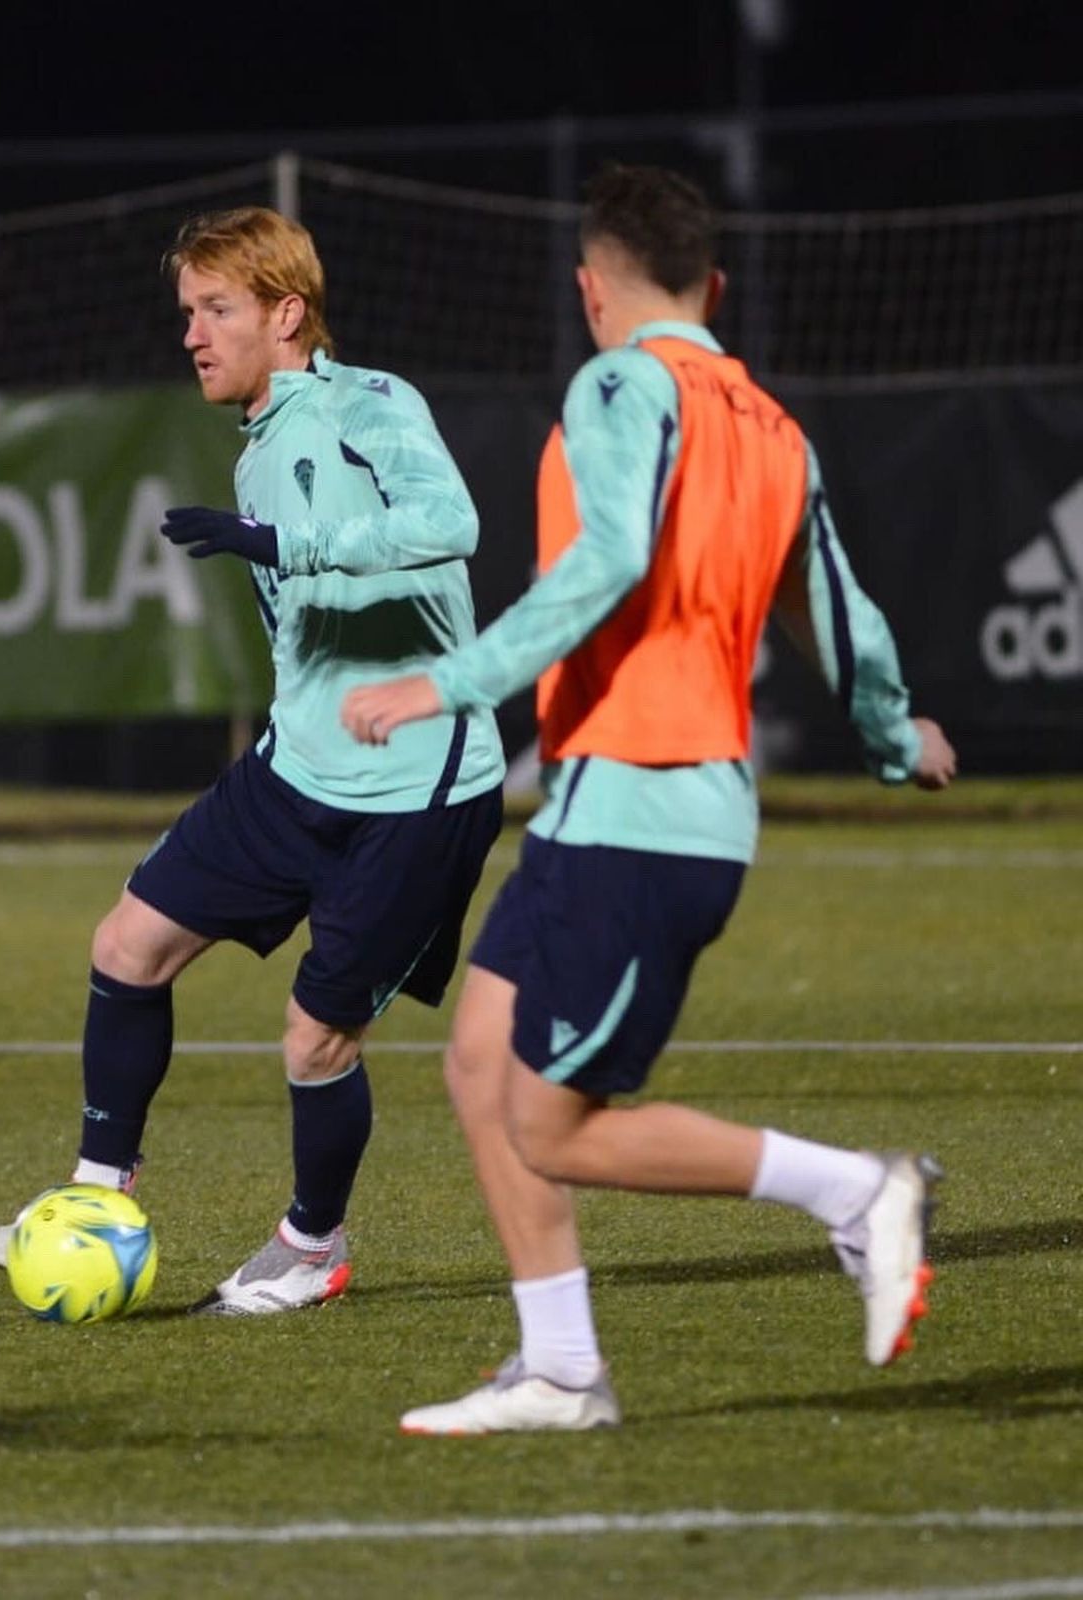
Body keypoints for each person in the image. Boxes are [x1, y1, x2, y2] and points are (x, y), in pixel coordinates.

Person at [341, 163, 958, 1431]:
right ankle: (560, 1369)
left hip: (649, 806)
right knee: (476, 1064)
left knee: (554, 1126)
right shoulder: (774, 426)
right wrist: (896, 736)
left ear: (590, 286)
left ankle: (853, 1189)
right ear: (712, 286)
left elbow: (611, 555)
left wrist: (450, 683)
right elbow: (834, 611)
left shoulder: (619, 382)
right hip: (599, 806)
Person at [0, 206, 505, 1313]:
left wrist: (284, 543)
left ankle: (312, 1246)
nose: (192, 335)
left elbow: (451, 522)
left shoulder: (374, 403)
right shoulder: (257, 448)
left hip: (413, 786)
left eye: (216, 310)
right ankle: (95, 1195)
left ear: (286, 312)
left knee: (315, 1040)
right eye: (187, 313)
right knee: (126, 944)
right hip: (291, 771)